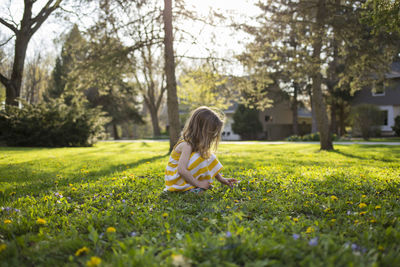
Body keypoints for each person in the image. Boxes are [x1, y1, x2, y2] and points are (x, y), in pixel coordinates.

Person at [164, 106, 237, 193]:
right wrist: (198, 183)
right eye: (211, 133)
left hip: (183, 179)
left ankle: (192, 186)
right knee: (200, 157)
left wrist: (222, 179)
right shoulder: (187, 145)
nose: (212, 137)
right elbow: (181, 170)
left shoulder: (196, 144)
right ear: (201, 130)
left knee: (208, 155)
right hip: (175, 182)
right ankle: (188, 188)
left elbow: (209, 160)